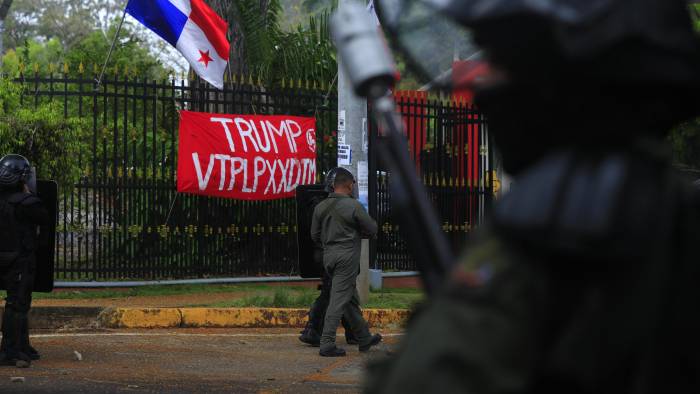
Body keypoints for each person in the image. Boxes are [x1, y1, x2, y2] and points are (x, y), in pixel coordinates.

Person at [364, 0, 700, 392]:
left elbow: (426, 377)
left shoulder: (551, 223)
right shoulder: (672, 210)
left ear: (558, 79)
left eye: (503, 61)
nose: (485, 82)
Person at [311, 167, 382, 357]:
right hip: (347, 257)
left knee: (348, 298)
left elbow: (314, 235)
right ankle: (327, 343)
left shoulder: (320, 207)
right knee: (338, 300)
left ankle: (364, 337)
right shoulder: (354, 206)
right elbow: (371, 228)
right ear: (349, 185)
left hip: (329, 257)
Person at [300, 169, 359, 347]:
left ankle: (354, 332)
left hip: (326, 254)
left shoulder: (320, 204)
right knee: (334, 292)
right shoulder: (333, 206)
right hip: (332, 255)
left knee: (340, 292)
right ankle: (314, 329)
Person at [0, 154, 48, 368]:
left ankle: (21, 346)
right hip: (20, 260)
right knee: (17, 305)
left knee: (18, 304)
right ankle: (10, 351)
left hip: (4, 258)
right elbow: (44, 219)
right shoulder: (27, 203)